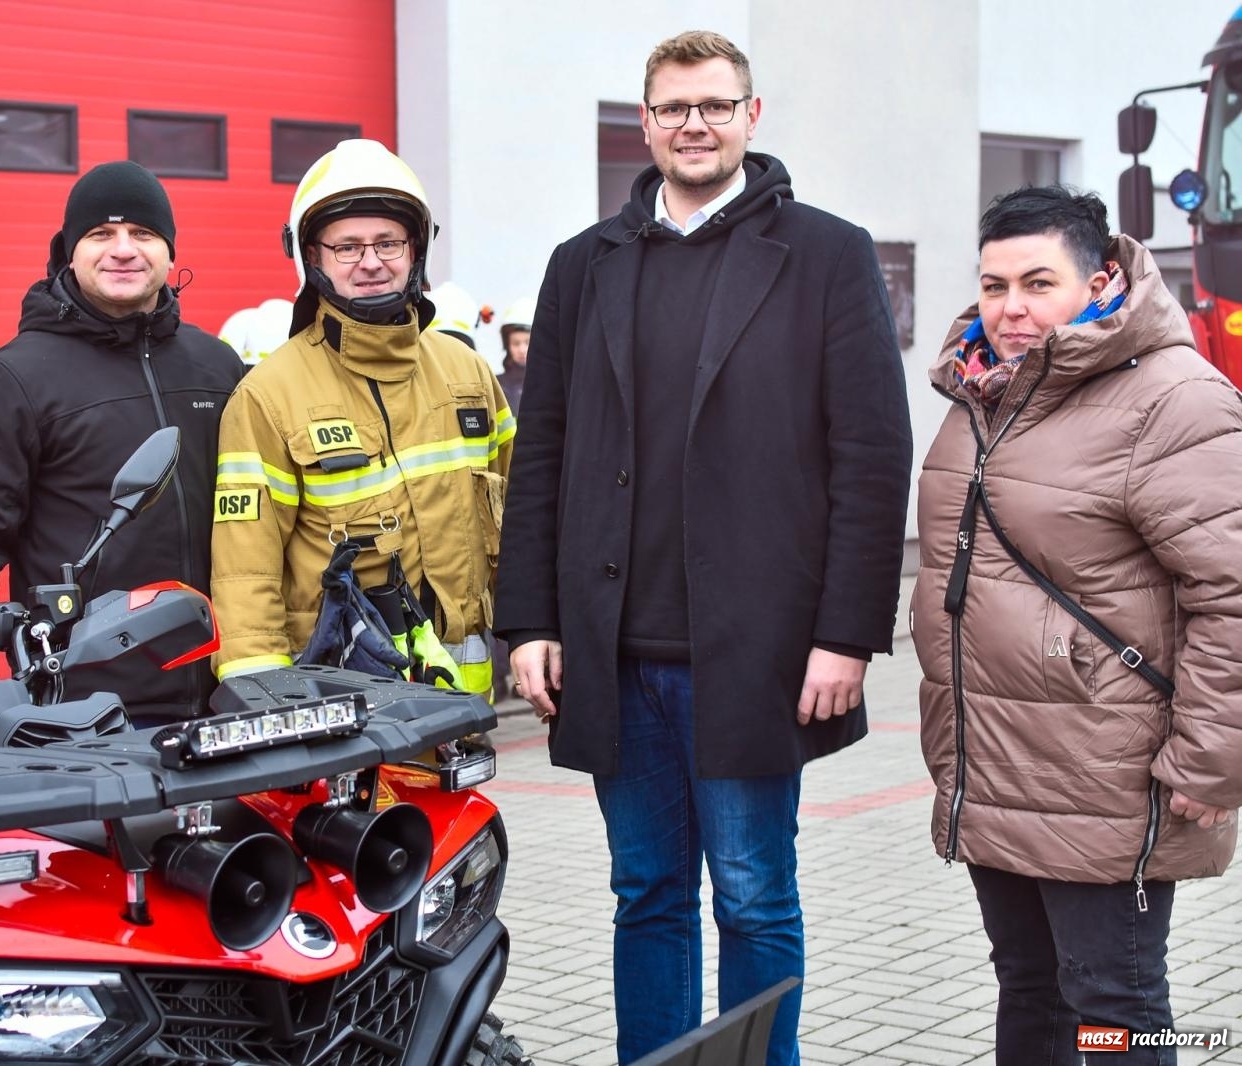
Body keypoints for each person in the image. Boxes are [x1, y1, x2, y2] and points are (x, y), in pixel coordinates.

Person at [494, 30, 912, 1066]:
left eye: (716, 105)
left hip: (760, 652)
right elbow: (538, 452)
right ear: (644, 122)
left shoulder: (824, 254)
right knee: (645, 893)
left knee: (754, 891)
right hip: (613, 651)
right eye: (675, 107)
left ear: (751, 117)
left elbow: (871, 456)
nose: (695, 124)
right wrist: (531, 621)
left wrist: (846, 637)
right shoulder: (582, 267)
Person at [912, 186, 1242, 1066]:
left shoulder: (1175, 399)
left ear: (1099, 279)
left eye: (1036, 282)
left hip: (1107, 769)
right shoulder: (983, 393)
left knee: (1116, 1010)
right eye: (992, 285)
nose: (1010, 308)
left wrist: (1213, 759)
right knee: (1028, 988)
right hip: (995, 759)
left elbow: (1232, 593)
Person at [0, 161, 245, 718]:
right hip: (83, 715)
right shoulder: (16, 379)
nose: (123, 249)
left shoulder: (217, 367)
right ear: (69, 250)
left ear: (170, 254)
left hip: (226, 698)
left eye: (143, 234)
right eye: (101, 234)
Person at [208, 139, 514, 695]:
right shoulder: (267, 396)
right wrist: (260, 697)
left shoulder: (469, 375)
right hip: (337, 718)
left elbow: (523, 523)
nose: (371, 262)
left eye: (387, 242)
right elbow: (244, 573)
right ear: (312, 257)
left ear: (416, 249)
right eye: (347, 247)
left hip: (462, 716)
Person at [495, 296, 534, 415]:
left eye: (528, 342)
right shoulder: (496, 384)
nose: (522, 350)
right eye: (516, 343)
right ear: (507, 345)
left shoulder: (552, 384)